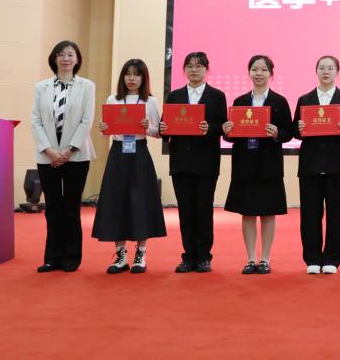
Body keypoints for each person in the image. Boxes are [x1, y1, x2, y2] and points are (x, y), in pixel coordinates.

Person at [93, 59, 166, 274]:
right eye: (128, 74)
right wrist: (103, 128)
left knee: (140, 201)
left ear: (144, 78)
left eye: (136, 74)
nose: (132, 78)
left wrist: (147, 127)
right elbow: (106, 131)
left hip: (139, 153)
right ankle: (120, 255)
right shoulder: (112, 99)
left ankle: (141, 253)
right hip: (118, 153)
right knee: (116, 201)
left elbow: (158, 132)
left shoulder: (150, 101)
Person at [222, 55, 292, 275]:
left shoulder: (279, 102)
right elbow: (231, 135)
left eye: (263, 70)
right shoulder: (240, 101)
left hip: (269, 164)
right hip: (245, 163)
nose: (259, 73)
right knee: (248, 212)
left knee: (268, 212)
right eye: (254, 69)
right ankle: (251, 258)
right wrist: (227, 132)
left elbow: (289, 132)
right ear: (249, 73)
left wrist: (277, 133)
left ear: (271, 73)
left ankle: (265, 259)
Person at [31, 41, 96, 272]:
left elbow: (86, 121)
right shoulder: (41, 87)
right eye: (60, 54)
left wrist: (68, 150)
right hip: (47, 156)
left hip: (76, 156)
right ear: (54, 59)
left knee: (71, 207)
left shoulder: (87, 86)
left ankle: (71, 256)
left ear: (77, 59)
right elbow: (36, 121)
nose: (65, 58)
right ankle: (52, 257)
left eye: (70, 54)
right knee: (52, 207)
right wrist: (50, 151)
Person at [159, 51, 227, 273]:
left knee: (204, 211)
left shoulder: (217, 96)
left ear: (207, 69)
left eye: (199, 66)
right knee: (185, 212)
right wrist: (163, 129)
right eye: (189, 66)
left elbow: (224, 127)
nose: (194, 70)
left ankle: (204, 256)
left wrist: (210, 129)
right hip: (181, 163)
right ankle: (188, 256)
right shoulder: (175, 96)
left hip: (206, 164)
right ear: (184, 70)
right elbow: (165, 130)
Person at [293, 55, 340, 275]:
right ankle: (312, 258)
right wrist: (300, 128)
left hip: (337, 166)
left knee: (336, 214)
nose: (325, 71)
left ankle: (332, 259)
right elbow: (295, 130)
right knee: (309, 214)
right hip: (310, 165)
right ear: (316, 71)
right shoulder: (305, 99)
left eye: (330, 68)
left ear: (337, 72)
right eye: (322, 67)